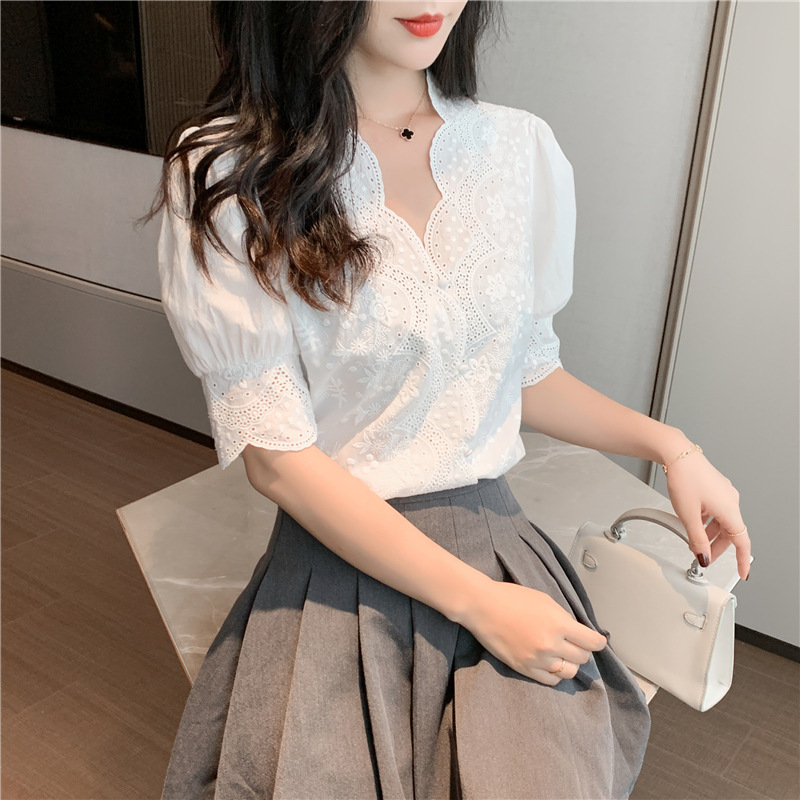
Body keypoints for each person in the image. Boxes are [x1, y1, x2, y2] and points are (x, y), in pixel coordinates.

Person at [146, 2, 752, 797]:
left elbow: (524, 374)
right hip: (337, 560)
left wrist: (674, 448)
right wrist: (481, 606)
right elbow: (279, 461)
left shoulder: (518, 149)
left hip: (493, 543)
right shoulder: (231, 170)